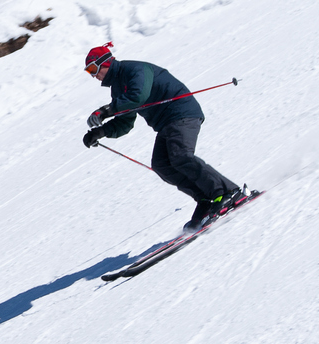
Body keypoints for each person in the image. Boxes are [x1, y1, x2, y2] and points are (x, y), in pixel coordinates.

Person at [82, 43, 246, 230]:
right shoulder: (118, 89)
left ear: (106, 62)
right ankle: (206, 199)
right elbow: (125, 122)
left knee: (180, 156)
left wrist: (106, 110)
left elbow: (138, 96)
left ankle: (228, 192)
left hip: (181, 113)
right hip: (165, 124)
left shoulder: (136, 70)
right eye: (89, 72)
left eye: (93, 69)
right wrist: (99, 132)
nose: (93, 75)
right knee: (161, 165)